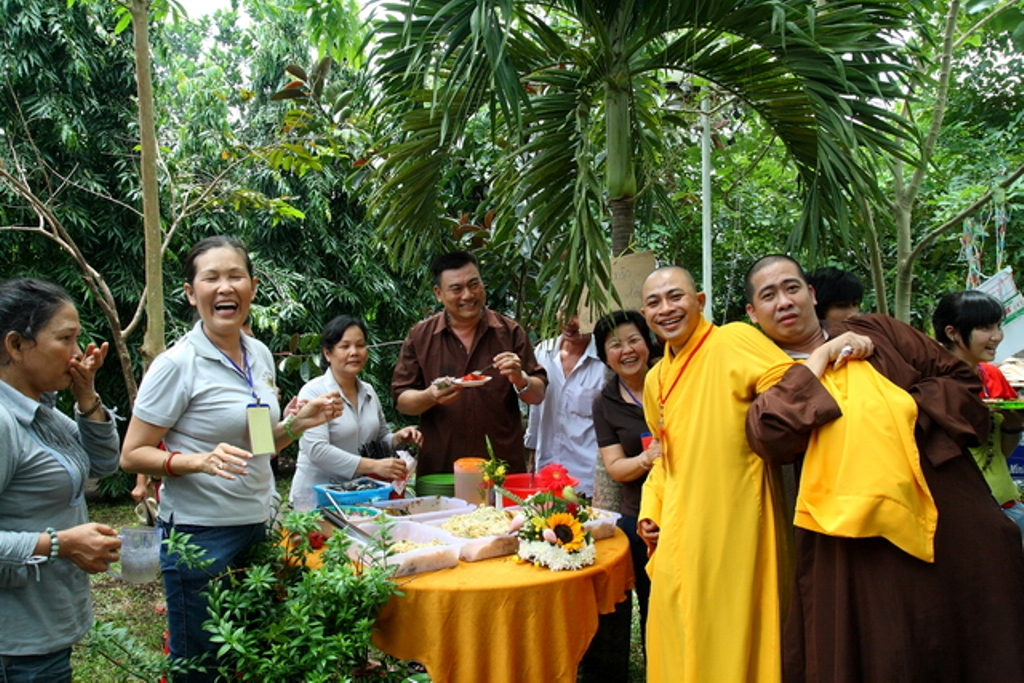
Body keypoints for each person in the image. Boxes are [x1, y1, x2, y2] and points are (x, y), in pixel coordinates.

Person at [745, 254, 1024, 682]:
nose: (784, 301)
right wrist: (820, 358)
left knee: (968, 618)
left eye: (792, 288)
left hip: (938, 493)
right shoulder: (759, 367)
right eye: (769, 295)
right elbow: (769, 435)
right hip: (847, 528)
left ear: (811, 294)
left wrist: (902, 408)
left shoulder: (878, 331)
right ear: (753, 313)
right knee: (882, 641)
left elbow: (962, 382)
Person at [120, 236, 343, 682]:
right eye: (212, 277)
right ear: (190, 293)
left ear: (253, 287)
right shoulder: (176, 364)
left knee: (256, 659)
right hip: (201, 537)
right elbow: (131, 455)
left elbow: (261, 443)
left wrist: (302, 424)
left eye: (235, 276)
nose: (226, 287)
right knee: (203, 668)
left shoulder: (258, 354)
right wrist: (197, 461)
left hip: (258, 525)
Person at [637, 266, 794, 683]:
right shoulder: (655, 379)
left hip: (734, 523)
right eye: (654, 302)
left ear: (700, 301)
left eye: (676, 297)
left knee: (731, 636)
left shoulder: (734, 340)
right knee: (673, 632)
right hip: (678, 530)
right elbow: (661, 455)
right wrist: (650, 511)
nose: (666, 309)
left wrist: (829, 350)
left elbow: (792, 390)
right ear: (644, 313)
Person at [0, 278, 121, 683]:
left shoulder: (42, 410)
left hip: (45, 626)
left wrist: (87, 396)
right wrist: (60, 543)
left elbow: (103, 464)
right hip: (15, 646)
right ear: (16, 345)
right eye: (65, 339)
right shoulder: (3, 422)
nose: (76, 354)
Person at [391, 251, 547, 476]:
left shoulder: (510, 333)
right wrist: (431, 396)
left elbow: (538, 395)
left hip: (501, 468)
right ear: (438, 294)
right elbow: (402, 400)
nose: (468, 295)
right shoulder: (420, 337)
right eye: (456, 289)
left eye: (474, 284)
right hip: (442, 468)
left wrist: (520, 378)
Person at [289, 315, 422, 508]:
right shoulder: (313, 392)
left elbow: (379, 437)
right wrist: (374, 466)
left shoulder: (368, 391)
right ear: (327, 353)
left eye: (360, 345)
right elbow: (317, 450)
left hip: (355, 497)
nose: (354, 352)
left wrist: (398, 438)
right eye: (345, 347)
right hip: (316, 500)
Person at [590, 310, 661, 652]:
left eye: (634, 340)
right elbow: (616, 468)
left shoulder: (671, 378)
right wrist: (649, 457)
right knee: (650, 603)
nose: (627, 351)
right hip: (638, 516)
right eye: (615, 345)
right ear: (605, 357)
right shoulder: (605, 401)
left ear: (647, 343)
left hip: (685, 508)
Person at [933, 289, 1024, 535]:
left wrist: (1013, 425)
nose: (997, 337)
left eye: (998, 326)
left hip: (1005, 506)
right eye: (985, 328)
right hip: (956, 515)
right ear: (951, 332)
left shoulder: (991, 375)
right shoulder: (930, 383)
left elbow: (1001, 453)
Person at [524, 311, 605, 496]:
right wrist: (532, 457)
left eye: (578, 314)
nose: (570, 322)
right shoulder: (543, 351)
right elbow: (536, 412)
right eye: (565, 310)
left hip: (588, 482)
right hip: (545, 477)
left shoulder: (604, 360)